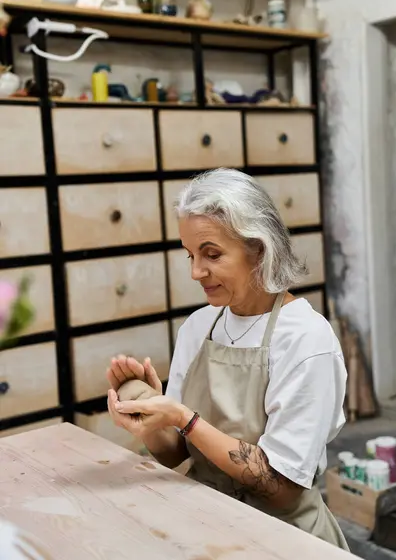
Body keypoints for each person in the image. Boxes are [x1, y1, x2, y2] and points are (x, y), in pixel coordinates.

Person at [107, 167, 349, 550]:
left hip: (284, 539)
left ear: (260, 247)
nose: (195, 272)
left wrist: (183, 417)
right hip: (208, 524)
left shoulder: (306, 339)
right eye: (189, 254)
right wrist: (151, 418)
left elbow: (280, 488)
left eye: (212, 254)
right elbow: (176, 453)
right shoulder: (199, 327)